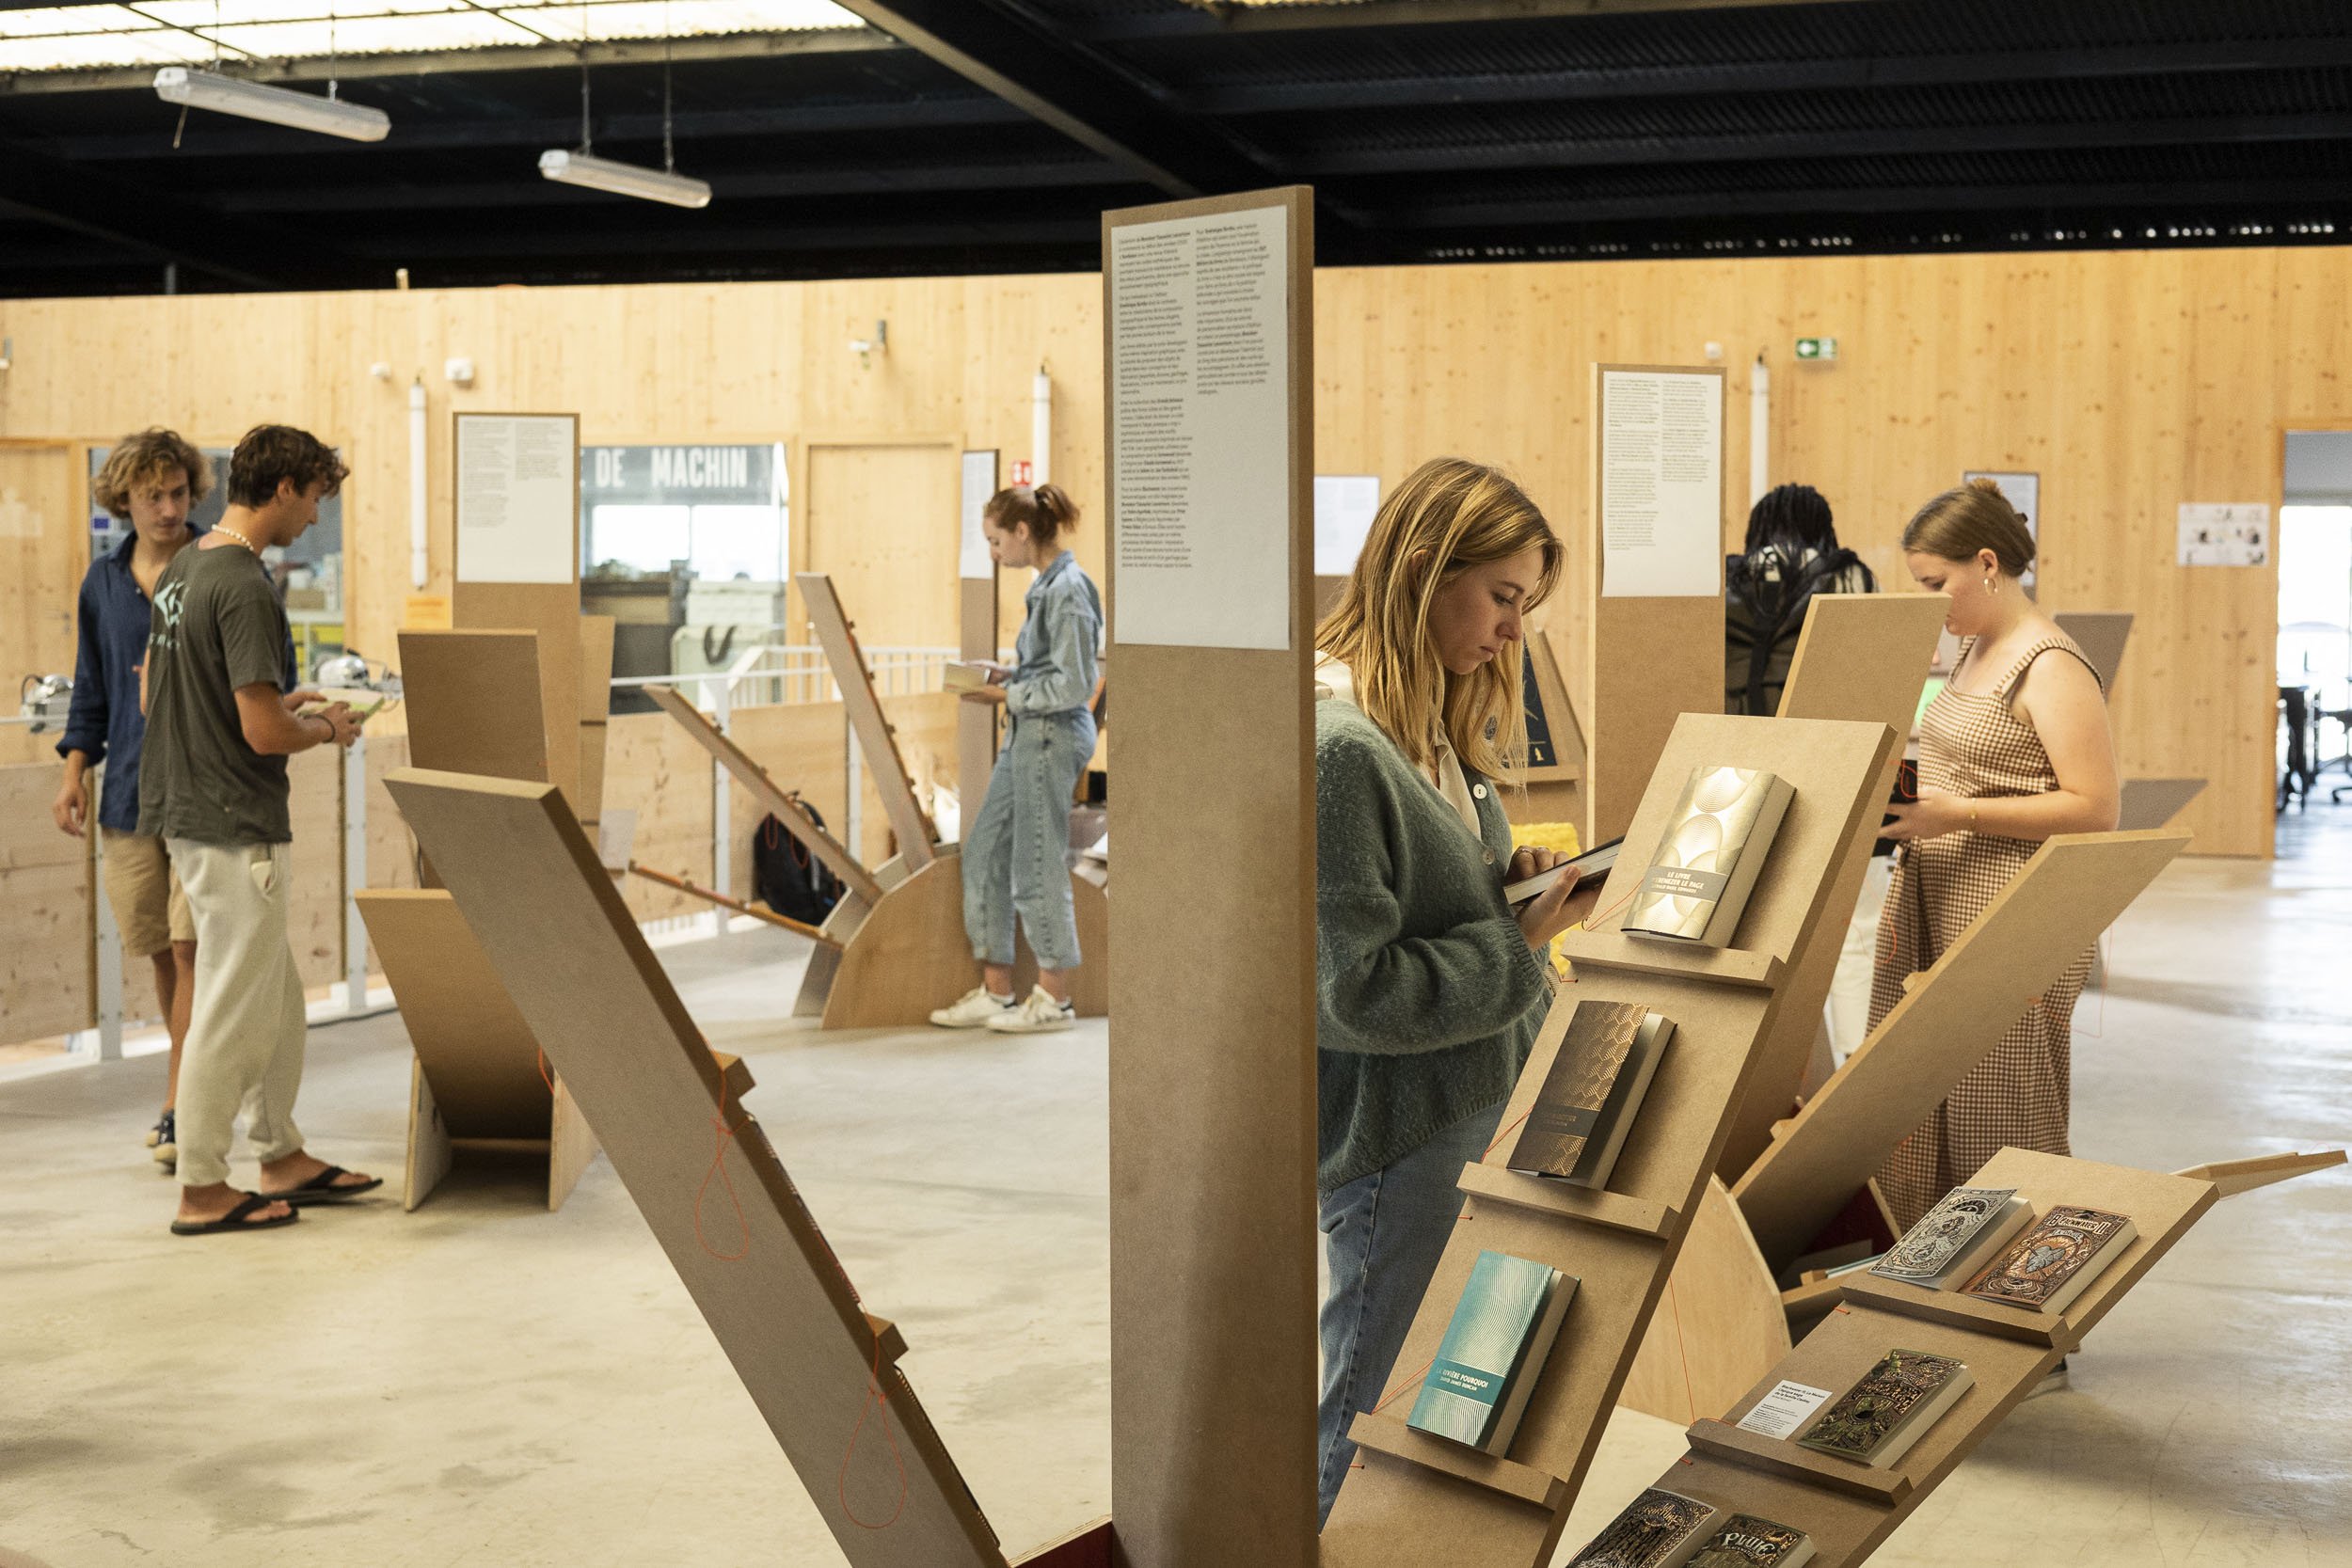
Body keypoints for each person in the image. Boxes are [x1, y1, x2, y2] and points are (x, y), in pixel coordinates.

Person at [1310, 457, 1592, 1526]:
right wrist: (1515, 942)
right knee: (1365, 1407)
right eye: (1504, 597)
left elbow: (1431, 906)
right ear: (1426, 571)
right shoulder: (1343, 745)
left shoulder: (1421, 718)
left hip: (1471, 1107)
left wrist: (1503, 891)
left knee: (1433, 1410)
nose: (1514, 631)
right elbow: (1354, 992)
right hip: (1400, 1135)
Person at [141, 424, 379, 1236]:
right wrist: (324, 729)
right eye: (315, 496)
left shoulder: (186, 568)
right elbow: (262, 735)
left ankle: (280, 1151)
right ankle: (203, 1184)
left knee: (275, 1001)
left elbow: (174, 698)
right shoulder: (242, 581)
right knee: (232, 1009)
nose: (316, 515)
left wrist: (292, 698)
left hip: (189, 811)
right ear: (284, 488)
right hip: (232, 822)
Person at [1874, 478, 2120, 1231]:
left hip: (2011, 909)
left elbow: (2095, 808)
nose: (1929, 603)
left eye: (1934, 584)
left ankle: (2016, 1296)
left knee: (2000, 1104)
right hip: (1942, 893)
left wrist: (1955, 811)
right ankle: (1931, 1278)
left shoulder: (2049, 663)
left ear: (1986, 563)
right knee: (1926, 1098)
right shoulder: (1976, 646)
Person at [54, 430, 212, 1166]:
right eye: (154, 495)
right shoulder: (103, 582)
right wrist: (71, 774)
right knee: (159, 950)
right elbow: (92, 687)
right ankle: (189, 1086)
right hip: (125, 795)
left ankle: (182, 1102)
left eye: (179, 492)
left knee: (192, 946)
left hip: (203, 790)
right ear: (126, 499)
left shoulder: (220, 565)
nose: (169, 507)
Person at [929, 483, 1103, 1036]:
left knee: (1035, 863)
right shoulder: (1048, 587)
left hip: (1050, 739)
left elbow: (1075, 684)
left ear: (1023, 532)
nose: (994, 552)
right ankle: (996, 991)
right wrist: (1008, 674)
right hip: (1027, 735)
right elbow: (1051, 669)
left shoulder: (1069, 590)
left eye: (996, 541)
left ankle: (1055, 998)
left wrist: (1004, 695)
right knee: (985, 851)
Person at [1724, 482, 1876, 718]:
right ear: (1821, 526)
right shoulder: (1846, 572)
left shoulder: (1729, 574)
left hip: (1732, 709)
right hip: (1816, 709)